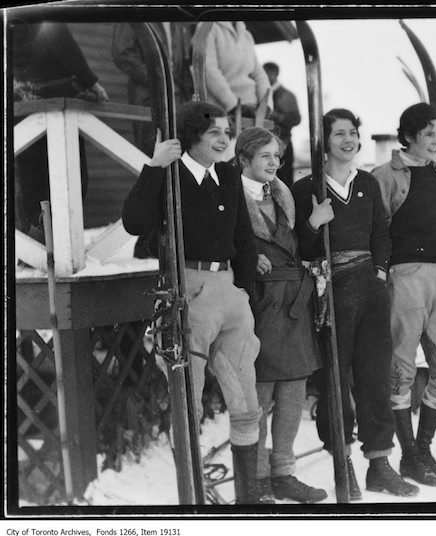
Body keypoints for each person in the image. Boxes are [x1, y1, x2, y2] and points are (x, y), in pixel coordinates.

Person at [121, 101, 266, 504]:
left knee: (245, 397)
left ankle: (248, 497)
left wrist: (245, 290)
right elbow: (135, 222)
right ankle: (194, 498)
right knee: (189, 399)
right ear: (191, 138)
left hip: (229, 290)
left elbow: (244, 237)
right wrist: (154, 166)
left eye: (226, 131)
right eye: (214, 132)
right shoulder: (171, 174)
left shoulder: (229, 174)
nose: (224, 139)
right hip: (190, 290)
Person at [292, 108, 419, 500]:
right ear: (323, 142)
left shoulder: (365, 183)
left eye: (353, 133)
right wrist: (314, 224)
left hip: (370, 288)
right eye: (339, 134)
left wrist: (379, 272)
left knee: (374, 378)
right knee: (334, 379)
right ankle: (340, 459)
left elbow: (381, 231)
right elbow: (299, 246)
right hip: (330, 290)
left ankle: (380, 465)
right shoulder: (306, 188)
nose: (348, 140)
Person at [371, 102, 436, 487]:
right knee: (401, 368)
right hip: (404, 276)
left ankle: (424, 448)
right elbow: (377, 230)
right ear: (409, 135)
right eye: (429, 133)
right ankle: (409, 454)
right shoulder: (385, 175)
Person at [234, 127, 327, 504]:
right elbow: (219, 238)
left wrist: (314, 224)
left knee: (292, 392)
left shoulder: (283, 195)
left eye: (277, 157)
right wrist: (244, 258)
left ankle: (283, 474)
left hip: (293, 301)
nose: (273, 163)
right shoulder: (231, 195)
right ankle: (255, 479)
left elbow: (297, 245)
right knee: (257, 396)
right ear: (244, 159)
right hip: (256, 304)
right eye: (264, 157)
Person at [13, 22, 109, 241]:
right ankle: (58, 244)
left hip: (22, 104)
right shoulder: (49, 20)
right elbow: (66, 50)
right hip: (57, 103)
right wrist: (92, 84)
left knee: (32, 180)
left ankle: (37, 246)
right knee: (71, 176)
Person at [112, 22, 195, 259]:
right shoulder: (134, 13)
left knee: (176, 165)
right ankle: (147, 243)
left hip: (177, 101)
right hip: (148, 99)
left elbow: (183, 64)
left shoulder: (178, 21)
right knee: (155, 162)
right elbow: (121, 53)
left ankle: (161, 240)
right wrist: (156, 78)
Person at [197, 21, 271, 118]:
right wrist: (234, 106)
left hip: (253, 111)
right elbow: (208, 71)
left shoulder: (246, 36)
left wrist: (266, 105)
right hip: (223, 111)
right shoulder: (207, 27)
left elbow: (260, 75)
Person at [263, 62, 301, 189]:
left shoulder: (288, 96)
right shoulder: (260, 94)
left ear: (275, 74)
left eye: (269, 73)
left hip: (283, 144)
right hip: (262, 144)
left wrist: (277, 116)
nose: (266, 76)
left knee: (285, 183)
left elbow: (296, 119)